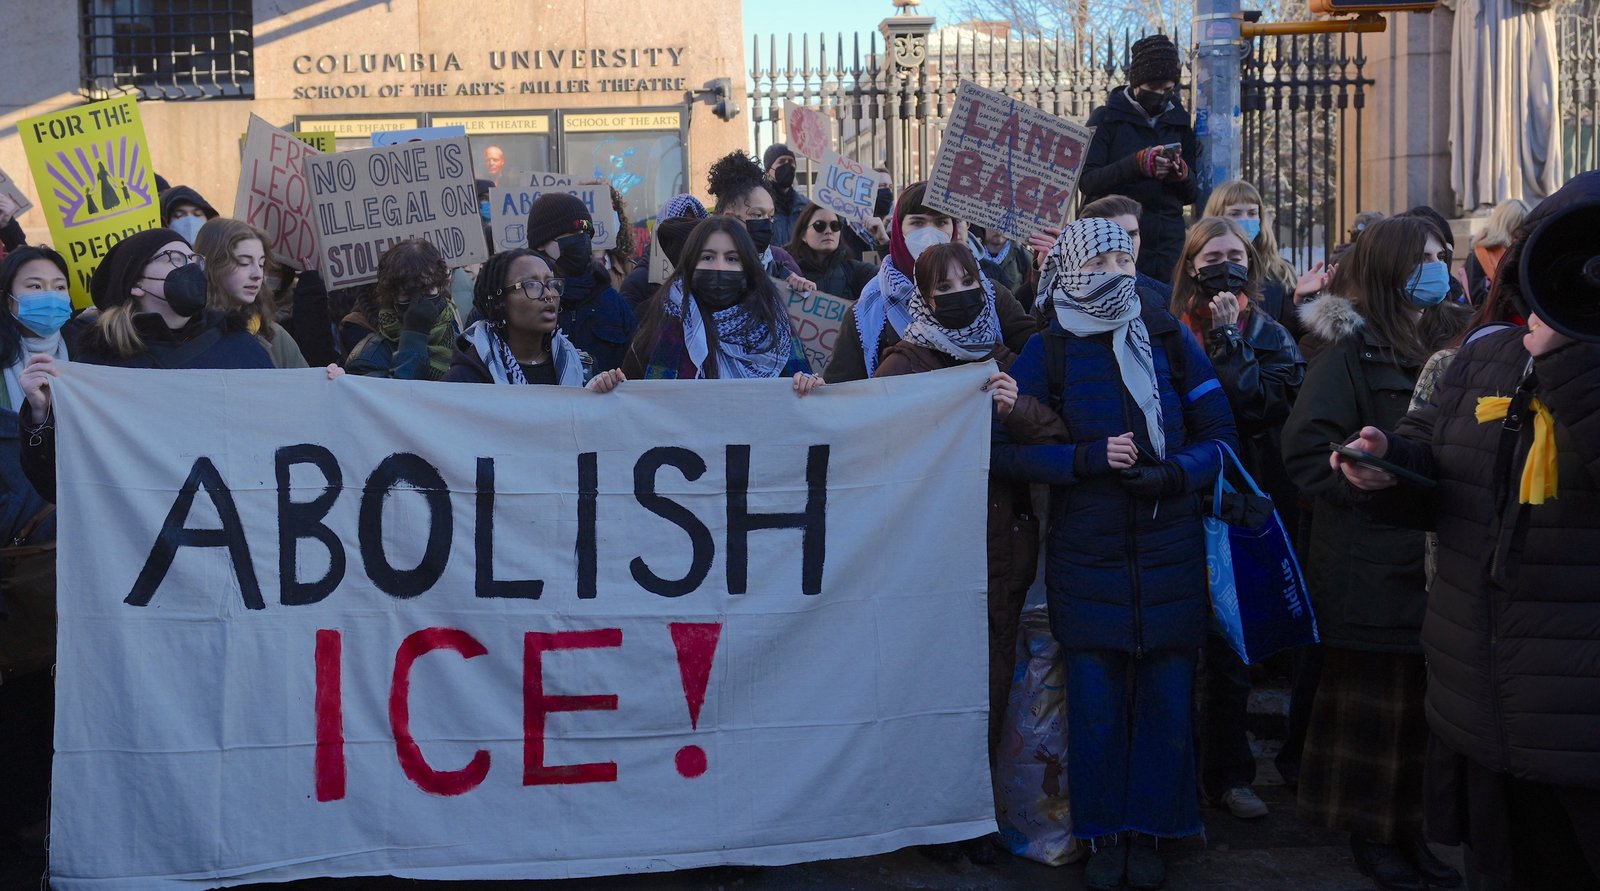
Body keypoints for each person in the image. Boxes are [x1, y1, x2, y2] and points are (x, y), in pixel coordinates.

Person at [1331, 170, 1600, 891]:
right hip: (1481, 713)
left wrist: (1576, 360)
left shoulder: (1564, 364)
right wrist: (1388, 468)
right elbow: (1433, 468)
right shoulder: (1484, 357)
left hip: (1578, 732)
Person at [994, 218, 1236, 891]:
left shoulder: (1167, 334)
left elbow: (1221, 436)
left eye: (1121, 255)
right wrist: (1084, 459)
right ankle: (1102, 835)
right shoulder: (1049, 348)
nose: (1113, 268)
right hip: (1086, 556)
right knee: (1095, 708)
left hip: (1169, 548)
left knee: (1165, 702)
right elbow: (1004, 450)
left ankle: (1154, 831)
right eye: (1096, 257)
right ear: (1071, 267)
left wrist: (1175, 472)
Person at [1281, 215, 1471, 891]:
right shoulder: (1349, 343)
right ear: (1391, 265)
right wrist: (1365, 479)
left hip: (1432, 564)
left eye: (1443, 254)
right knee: (1374, 713)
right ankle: (1372, 835)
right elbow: (1307, 450)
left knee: (1422, 714)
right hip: (1368, 563)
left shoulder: (1453, 336)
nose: (1437, 264)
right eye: (1423, 255)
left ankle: (1413, 833)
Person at [876, 241, 1069, 864]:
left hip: (1001, 551)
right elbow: (871, 430)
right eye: (944, 285)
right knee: (934, 683)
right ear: (923, 298)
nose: (959, 293)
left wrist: (1016, 408)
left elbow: (1054, 430)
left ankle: (977, 815)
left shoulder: (1004, 358)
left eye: (968, 281)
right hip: (933, 550)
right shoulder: (904, 363)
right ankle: (935, 816)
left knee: (987, 686)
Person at [1169, 216, 1306, 822]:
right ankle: (1175, 774)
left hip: (1239, 504)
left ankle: (1229, 773)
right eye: (1212, 255)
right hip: (1176, 498)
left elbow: (1254, 406)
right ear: (1192, 264)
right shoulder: (1167, 328)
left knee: (1231, 647)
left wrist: (1230, 340)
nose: (1224, 264)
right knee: (1178, 645)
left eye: (1235, 254)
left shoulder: (1270, 334)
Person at [17, 228, 275, 501]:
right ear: (136, 283)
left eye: (193, 260)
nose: (189, 268)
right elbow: (57, 485)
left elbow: (280, 430)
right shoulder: (98, 368)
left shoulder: (241, 348)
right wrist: (41, 415)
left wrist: (322, 387)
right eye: (173, 258)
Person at [0, 246, 70, 851]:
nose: (49, 296)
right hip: (22, 554)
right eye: (33, 284)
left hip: (86, 551)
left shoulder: (98, 355)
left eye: (58, 284)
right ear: (9, 297)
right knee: (28, 685)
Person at [825, 182, 1035, 383]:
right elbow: (842, 387)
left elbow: (1035, 353)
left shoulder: (989, 293)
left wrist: (1047, 277)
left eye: (941, 222)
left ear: (953, 229)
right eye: (917, 222)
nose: (929, 232)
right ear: (898, 230)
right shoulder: (868, 310)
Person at [621, 216, 818, 393]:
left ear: (748, 267)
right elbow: (631, 403)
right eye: (707, 257)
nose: (719, 267)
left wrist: (809, 387)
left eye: (732, 259)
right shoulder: (660, 325)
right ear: (690, 264)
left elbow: (804, 402)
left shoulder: (775, 327)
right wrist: (609, 385)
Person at [1078, 34, 1198, 285]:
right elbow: (1088, 182)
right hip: (1116, 242)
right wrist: (1137, 164)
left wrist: (1180, 173)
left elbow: (1191, 194)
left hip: (1166, 246)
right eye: (1154, 88)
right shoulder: (1106, 119)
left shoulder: (1179, 122)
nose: (1162, 95)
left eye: (1168, 89)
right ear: (1137, 83)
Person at [443, 247, 624, 392]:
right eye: (530, 284)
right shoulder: (466, 381)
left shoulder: (583, 369)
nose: (548, 294)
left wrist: (601, 393)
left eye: (552, 284)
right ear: (500, 301)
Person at [524, 191, 636, 373]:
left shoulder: (611, 302)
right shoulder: (521, 301)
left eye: (586, 232)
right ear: (541, 242)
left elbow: (636, 369)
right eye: (572, 232)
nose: (582, 238)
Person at [1203, 179, 1327, 338]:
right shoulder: (1204, 269)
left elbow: (1290, 337)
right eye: (1235, 213)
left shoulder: (1280, 271)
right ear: (1216, 217)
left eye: (1252, 213)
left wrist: (1298, 301)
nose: (1246, 220)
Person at [194, 218, 309, 369]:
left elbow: (307, 389)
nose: (257, 274)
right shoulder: (179, 334)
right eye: (244, 263)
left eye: (261, 264)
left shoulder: (276, 337)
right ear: (212, 265)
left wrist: (332, 379)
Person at [344, 239, 463, 380]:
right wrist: (414, 335)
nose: (419, 303)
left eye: (427, 290)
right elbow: (403, 397)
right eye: (408, 294)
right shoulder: (368, 359)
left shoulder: (457, 338)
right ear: (392, 296)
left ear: (440, 286)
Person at [706, 151, 810, 287]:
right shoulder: (703, 264)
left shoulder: (780, 260)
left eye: (771, 216)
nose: (767, 223)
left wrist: (800, 291)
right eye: (757, 215)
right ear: (729, 219)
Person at [1078, 194, 1171, 308]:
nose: (1126, 242)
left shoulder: (1165, 298)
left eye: (1132, 234)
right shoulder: (1062, 296)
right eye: (1115, 235)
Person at [620, 194, 708, 308]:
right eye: (680, 229)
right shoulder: (639, 282)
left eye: (694, 228)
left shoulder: (706, 277)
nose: (688, 237)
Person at [784, 204, 876, 300]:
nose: (828, 231)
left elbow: (889, 279)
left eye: (835, 226)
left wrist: (883, 241)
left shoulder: (853, 271)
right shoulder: (786, 269)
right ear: (803, 235)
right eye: (819, 225)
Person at [1464, 198, 1529, 308]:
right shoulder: (1478, 255)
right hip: (1497, 322)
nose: (1521, 234)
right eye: (1518, 228)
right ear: (1505, 226)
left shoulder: (1524, 252)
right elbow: (1477, 301)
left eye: (1524, 228)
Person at [763, 143, 811, 249]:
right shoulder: (760, 206)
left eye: (791, 162)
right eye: (781, 161)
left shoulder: (806, 206)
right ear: (768, 170)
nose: (787, 165)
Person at [967, 225, 1033, 294]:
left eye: (1004, 223)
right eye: (992, 223)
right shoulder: (973, 254)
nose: (998, 228)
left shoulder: (1022, 255)